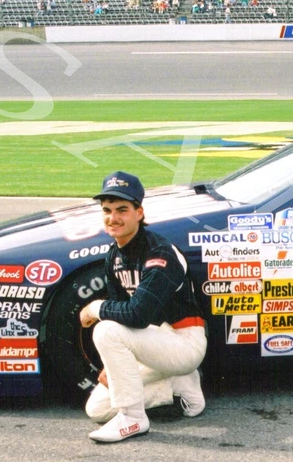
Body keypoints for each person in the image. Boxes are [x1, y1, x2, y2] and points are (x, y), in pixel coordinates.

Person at [80, 171, 206, 443]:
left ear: (139, 212)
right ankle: (178, 385)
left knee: (105, 331)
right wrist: (111, 365)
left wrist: (93, 308)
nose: (113, 218)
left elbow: (136, 316)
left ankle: (133, 419)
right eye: (107, 210)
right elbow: (122, 313)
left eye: (122, 210)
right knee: (97, 409)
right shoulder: (114, 254)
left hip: (183, 343)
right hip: (153, 346)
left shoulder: (159, 252)